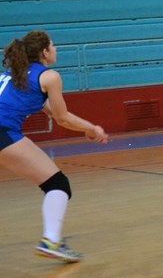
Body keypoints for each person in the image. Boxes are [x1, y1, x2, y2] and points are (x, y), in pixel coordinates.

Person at [0, 31, 108, 263]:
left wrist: (87, 128)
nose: (55, 49)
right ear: (44, 52)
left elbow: (51, 111)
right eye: (53, 46)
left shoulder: (13, 75)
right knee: (57, 184)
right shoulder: (49, 77)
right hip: (3, 132)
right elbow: (62, 118)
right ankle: (51, 241)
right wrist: (94, 129)